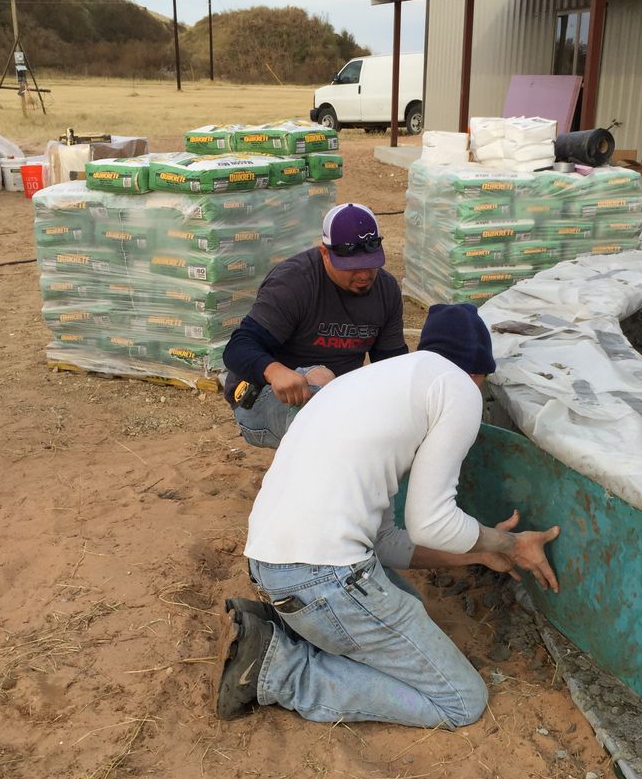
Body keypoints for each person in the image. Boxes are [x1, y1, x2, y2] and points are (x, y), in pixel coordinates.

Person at [212, 303, 561, 728]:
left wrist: (476, 552)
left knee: (410, 608)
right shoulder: (459, 388)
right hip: (327, 578)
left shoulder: (369, 383)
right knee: (461, 701)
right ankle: (282, 672)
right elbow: (432, 522)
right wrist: (509, 544)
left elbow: (385, 541)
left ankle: (286, 633)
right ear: (479, 372)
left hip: (275, 568)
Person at [221, 202, 409, 448]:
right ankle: (308, 476)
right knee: (321, 380)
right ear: (324, 253)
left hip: (338, 399)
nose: (364, 275)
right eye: (352, 267)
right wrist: (275, 371)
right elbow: (238, 349)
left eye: (371, 263)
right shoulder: (294, 283)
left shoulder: (385, 290)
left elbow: (391, 365)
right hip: (261, 400)